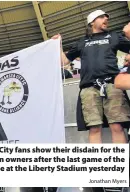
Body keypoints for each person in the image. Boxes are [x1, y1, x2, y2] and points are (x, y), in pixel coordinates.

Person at [52, 10, 130, 143]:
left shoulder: (114, 36)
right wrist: (57, 45)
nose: (106, 18)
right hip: (88, 87)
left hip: (112, 84)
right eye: (101, 17)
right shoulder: (82, 42)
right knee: (94, 128)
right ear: (92, 22)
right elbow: (64, 61)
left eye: (107, 17)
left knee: (117, 126)